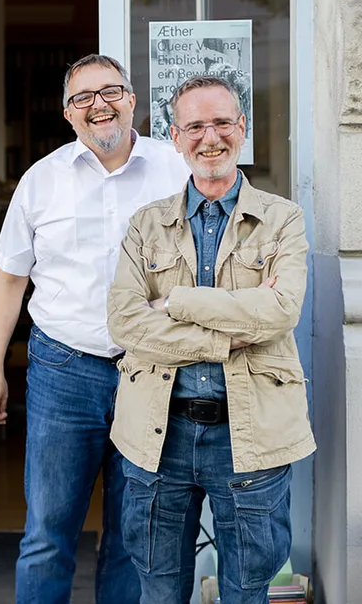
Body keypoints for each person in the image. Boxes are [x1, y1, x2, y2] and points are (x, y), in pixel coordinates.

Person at [0, 54, 189, 603]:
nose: (98, 105)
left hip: (154, 373)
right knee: (48, 533)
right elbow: (8, 283)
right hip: (62, 371)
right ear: (68, 114)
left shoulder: (177, 169)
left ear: (133, 100)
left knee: (132, 537)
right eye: (83, 97)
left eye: (110, 91)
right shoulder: (41, 180)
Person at [106, 75, 314, 604]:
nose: (210, 137)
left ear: (242, 129)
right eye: (194, 126)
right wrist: (226, 336)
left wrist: (176, 301)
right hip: (159, 434)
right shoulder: (145, 225)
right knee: (159, 590)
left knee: (248, 590)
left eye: (221, 122)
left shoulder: (282, 219)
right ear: (175, 138)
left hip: (249, 437)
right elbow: (126, 322)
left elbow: (280, 311)